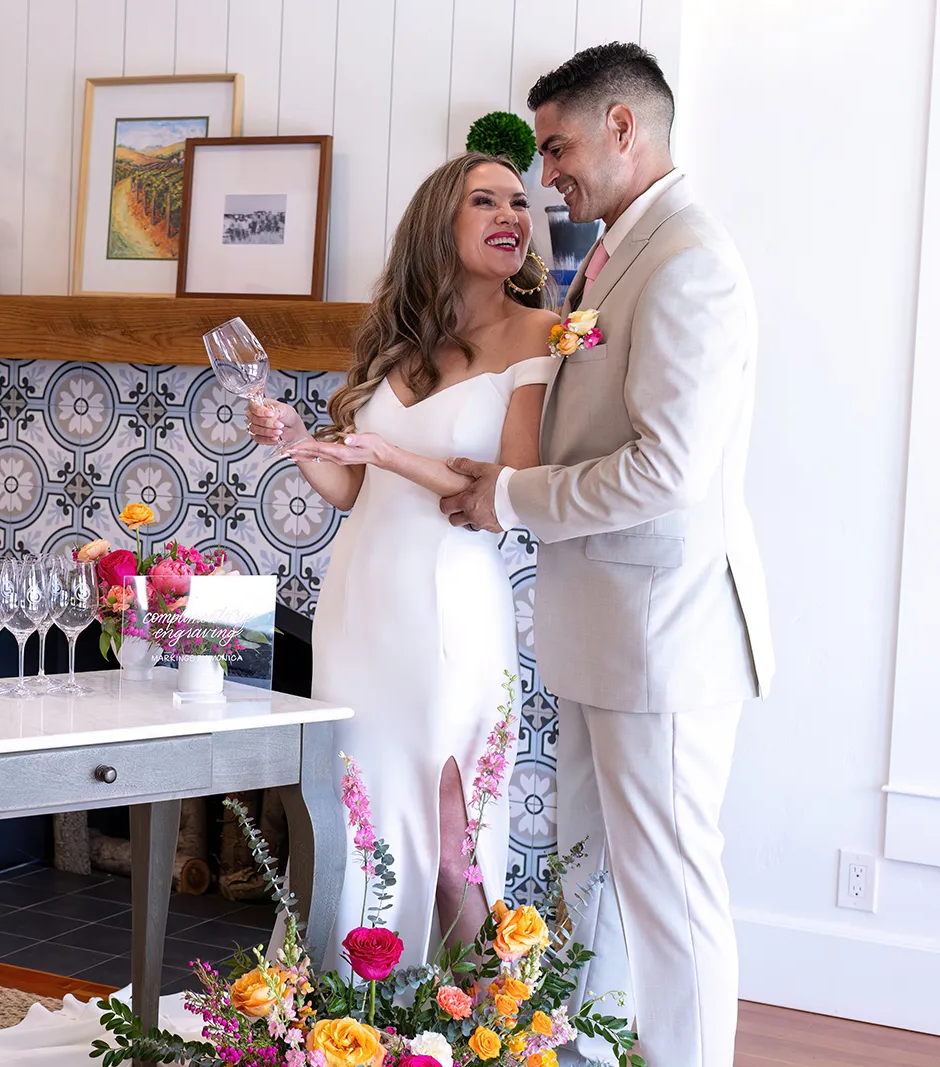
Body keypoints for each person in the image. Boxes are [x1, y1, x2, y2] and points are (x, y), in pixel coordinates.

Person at [441, 44, 773, 1067]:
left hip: (662, 634)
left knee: (670, 895)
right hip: (603, 630)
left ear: (622, 128)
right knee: (588, 877)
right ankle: (589, 1049)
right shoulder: (615, 252)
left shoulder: (688, 261)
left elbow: (667, 469)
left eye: (556, 148)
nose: (546, 175)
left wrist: (511, 496)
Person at [249, 151, 561, 966]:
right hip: (359, 604)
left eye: (519, 202)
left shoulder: (535, 332)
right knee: (357, 810)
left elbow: (510, 484)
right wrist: (296, 440)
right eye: (486, 201)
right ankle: (341, 1008)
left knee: (454, 834)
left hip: (450, 606)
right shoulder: (398, 340)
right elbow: (353, 488)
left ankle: (481, 1016)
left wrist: (390, 454)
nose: (512, 215)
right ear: (438, 223)